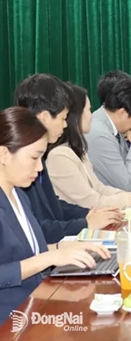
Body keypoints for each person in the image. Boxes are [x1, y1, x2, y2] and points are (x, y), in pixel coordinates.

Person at [0, 107, 110, 325]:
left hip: (35, 302)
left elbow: (28, 253)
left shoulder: (19, 196)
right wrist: (49, 258)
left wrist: (67, 248)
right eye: (34, 157)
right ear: (4, 154)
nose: (40, 167)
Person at [14, 74, 121, 244]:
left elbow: (53, 207)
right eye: (63, 118)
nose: (65, 125)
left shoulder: (38, 156)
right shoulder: (20, 162)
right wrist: (84, 223)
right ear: (44, 118)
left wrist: (87, 215)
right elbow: (36, 227)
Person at [46, 84, 131, 209]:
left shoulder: (77, 149)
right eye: (88, 110)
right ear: (76, 116)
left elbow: (99, 188)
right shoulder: (60, 155)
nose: (92, 116)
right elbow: (95, 201)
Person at [86, 79, 131, 191]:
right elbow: (126, 184)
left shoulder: (112, 125)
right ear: (123, 113)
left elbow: (126, 170)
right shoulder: (101, 135)